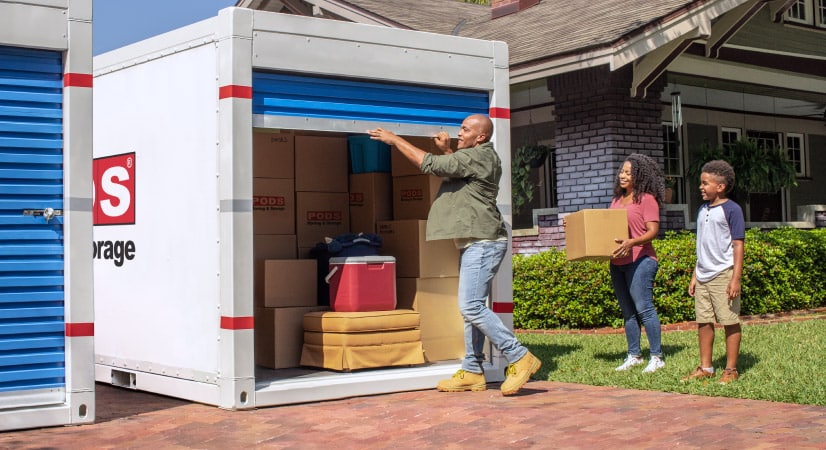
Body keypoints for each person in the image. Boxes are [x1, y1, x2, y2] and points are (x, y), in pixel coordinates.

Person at [367, 114, 541, 396]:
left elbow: (430, 165)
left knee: (471, 307)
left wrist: (395, 139)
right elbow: (455, 172)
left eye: (465, 129)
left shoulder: (480, 155)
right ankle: (473, 370)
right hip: (475, 243)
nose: (459, 133)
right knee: (472, 310)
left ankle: (519, 356)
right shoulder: (476, 156)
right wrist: (449, 150)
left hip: (483, 243)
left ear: (480, 137)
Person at [683, 160, 745, 384]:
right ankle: (706, 367)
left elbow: (738, 244)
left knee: (729, 320)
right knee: (704, 321)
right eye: (701, 183)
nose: (701, 187)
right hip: (704, 275)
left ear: (720, 186)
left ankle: (730, 369)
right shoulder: (702, 209)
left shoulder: (732, 210)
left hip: (724, 274)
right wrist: (695, 275)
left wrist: (735, 278)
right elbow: (701, 244)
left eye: (705, 183)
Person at [609, 153, 666, 374]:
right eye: (622, 171)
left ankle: (657, 356)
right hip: (618, 261)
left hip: (641, 260)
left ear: (639, 176)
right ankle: (634, 355)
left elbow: (653, 231)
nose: (623, 175)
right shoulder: (616, 200)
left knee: (644, 309)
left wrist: (633, 242)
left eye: (628, 172)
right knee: (628, 312)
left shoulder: (646, 199)